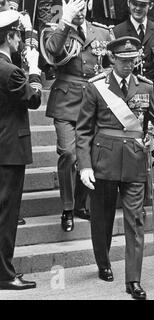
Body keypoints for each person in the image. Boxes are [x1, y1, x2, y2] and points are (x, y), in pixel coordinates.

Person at [76, 36, 154, 300]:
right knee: (101, 217)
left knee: (135, 220)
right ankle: (103, 261)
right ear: (112, 59)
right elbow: (83, 130)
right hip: (104, 159)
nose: (128, 65)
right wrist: (85, 165)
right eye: (123, 61)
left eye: (132, 60)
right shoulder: (96, 87)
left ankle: (133, 280)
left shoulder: (146, 86)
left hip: (135, 161)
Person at [41, 0, 113, 232]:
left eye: (83, 8)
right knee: (69, 154)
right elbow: (51, 52)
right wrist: (65, 22)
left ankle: (82, 204)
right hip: (65, 103)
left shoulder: (101, 32)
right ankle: (67, 207)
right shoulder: (57, 29)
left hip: (91, 102)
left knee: (89, 154)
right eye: (75, 8)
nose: (79, 13)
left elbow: (111, 63)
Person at [0, 9, 41, 290]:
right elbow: (35, 99)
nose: (19, 44)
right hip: (9, 149)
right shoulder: (10, 71)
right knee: (6, 215)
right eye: (17, 37)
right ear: (9, 36)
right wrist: (35, 68)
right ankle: (4, 274)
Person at [113, 0, 154, 130]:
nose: (137, 8)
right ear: (128, 3)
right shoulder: (117, 32)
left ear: (150, 6)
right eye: (134, 4)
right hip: (127, 100)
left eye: (142, 5)